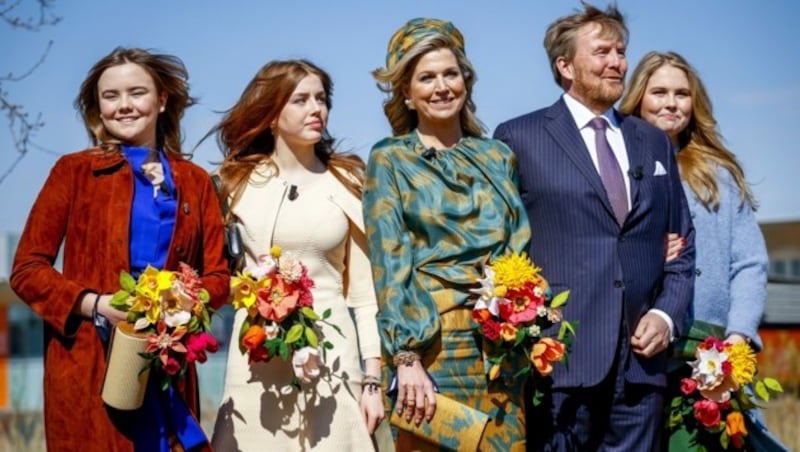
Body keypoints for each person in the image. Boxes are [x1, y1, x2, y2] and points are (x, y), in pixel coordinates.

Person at [493, 4, 696, 450]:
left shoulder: (653, 142)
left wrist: (665, 314)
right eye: (602, 51)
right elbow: (502, 248)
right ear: (565, 65)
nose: (617, 62)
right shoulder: (518, 138)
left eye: (621, 51)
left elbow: (683, 245)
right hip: (562, 359)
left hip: (642, 367)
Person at [10, 47, 230, 451]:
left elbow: (219, 277)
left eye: (136, 92)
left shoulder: (195, 182)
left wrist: (183, 301)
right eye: (110, 96)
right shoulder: (73, 171)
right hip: (89, 371)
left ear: (162, 100)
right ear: (98, 106)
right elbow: (26, 269)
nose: (124, 105)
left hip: (168, 368)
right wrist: (95, 304)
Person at [364, 18, 532, 451]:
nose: (441, 87)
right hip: (430, 346)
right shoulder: (390, 160)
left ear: (466, 81)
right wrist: (406, 357)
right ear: (406, 92)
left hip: (499, 348)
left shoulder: (498, 156)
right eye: (426, 78)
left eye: (450, 74)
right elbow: (390, 260)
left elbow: (517, 246)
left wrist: (524, 320)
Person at [209, 59, 387, 451]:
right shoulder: (232, 184)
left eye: (321, 99)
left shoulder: (347, 181)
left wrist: (372, 379)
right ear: (272, 114)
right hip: (255, 359)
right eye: (300, 100)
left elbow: (364, 293)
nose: (316, 109)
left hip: (333, 358)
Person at [620, 50, 788, 452]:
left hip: (707, 352)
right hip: (635, 350)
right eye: (658, 91)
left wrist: (738, 335)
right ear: (638, 97)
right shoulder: (617, 165)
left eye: (682, 93)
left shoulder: (719, 175)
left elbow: (748, 262)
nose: (671, 102)